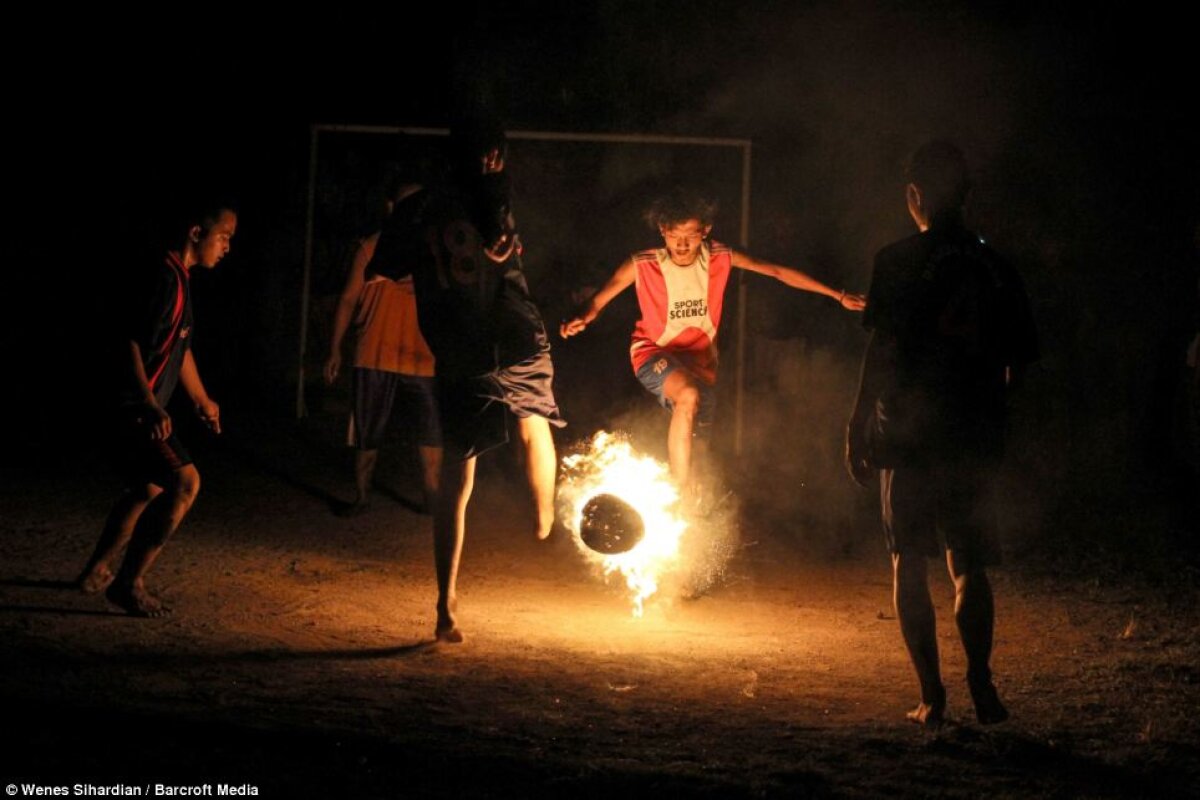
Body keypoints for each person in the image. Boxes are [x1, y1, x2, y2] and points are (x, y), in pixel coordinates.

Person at [845, 141, 1038, 726]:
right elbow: (1018, 360)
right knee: (969, 561)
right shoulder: (998, 267)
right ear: (968, 195)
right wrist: (996, 416)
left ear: (914, 197)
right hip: (972, 430)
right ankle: (980, 680)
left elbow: (882, 350)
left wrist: (856, 424)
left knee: (909, 559)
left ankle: (932, 696)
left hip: (905, 432)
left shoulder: (897, 259)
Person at [368, 116, 564, 643]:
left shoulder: (417, 207)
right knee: (534, 423)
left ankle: (446, 602)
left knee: (458, 474)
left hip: (460, 349)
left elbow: (382, 267)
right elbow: (497, 237)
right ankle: (544, 517)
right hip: (514, 334)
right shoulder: (494, 194)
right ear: (493, 158)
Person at [561, 188, 865, 495]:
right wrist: (583, 318)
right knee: (688, 396)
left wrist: (836, 295)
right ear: (663, 231)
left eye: (690, 236)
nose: (681, 244)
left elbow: (775, 270)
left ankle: (690, 518)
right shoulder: (643, 264)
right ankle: (676, 495)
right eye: (674, 235)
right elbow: (600, 299)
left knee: (700, 460)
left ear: (705, 231)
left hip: (701, 363)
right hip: (652, 352)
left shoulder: (720, 257)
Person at [77, 201, 238, 617]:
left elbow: (179, 348)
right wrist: (148, 403)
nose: (227, 247)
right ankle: (129, 583)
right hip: (130, 407)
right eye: (224, 237)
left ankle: (97, 570)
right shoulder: (163, 277)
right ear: (196, 233)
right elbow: (128, 340)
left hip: (138, 406)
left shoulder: (180, 279)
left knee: (146, 487)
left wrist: (202, 400)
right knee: (185, 483)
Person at [325, 176, 442, 516]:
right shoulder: (370, 247)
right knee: (367, 431)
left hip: (422, 356)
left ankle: (433, 500)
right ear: (391, 207)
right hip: (374, 351)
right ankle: (362, 497)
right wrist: (335, 348)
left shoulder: (434, 250)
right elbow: (347, 299)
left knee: (431, 433)